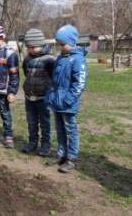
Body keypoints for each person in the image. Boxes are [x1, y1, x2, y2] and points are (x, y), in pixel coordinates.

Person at [45, 25, 87, 173]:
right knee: (60, 129)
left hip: (68, 103)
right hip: (57, 101)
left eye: (63, 44)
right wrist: (50, 95)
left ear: (72, 42)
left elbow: (79, 83)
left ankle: (72, 157)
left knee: (71, 129)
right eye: (59, 45)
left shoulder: (77, 59)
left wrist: (68, 100)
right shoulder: (61, 58)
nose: (60, 47)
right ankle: (61, 153)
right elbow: (54, 80)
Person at [21, 29, 56, 156]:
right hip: (29, 97)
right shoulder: (27, 60)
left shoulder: (50, 59)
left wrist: (49, 91)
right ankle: (32, 142)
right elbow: (26, 73)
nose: (30, 50)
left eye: (33, 47)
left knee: (45, 122)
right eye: (28, 47)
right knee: (31, 121)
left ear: (41, 44)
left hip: (43, 98)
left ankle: (46, 144)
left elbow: (54, 78)